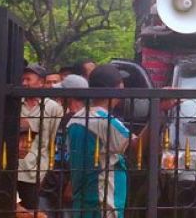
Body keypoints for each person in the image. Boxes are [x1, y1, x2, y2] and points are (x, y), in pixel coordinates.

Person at [67, 65, 173, 218]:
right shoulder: (104, 121)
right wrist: (158, 110)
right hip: (104, 201)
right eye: (120, 84)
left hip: (83, 200)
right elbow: (137, 146)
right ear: (114, 88)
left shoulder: (76, 118)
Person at [38, 75, 89, 218]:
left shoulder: (86, 119)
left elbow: (85, 156)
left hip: (69, 185)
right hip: (51, 182)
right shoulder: (63, 116)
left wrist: (72, 185)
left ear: (71, 95)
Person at [18, 64, 64, 210]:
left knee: (30, 210)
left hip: (36, 171)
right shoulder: (15, 103)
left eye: (28, 79)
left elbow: (52, 140)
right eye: (23, 79)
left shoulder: (53, 108)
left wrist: (46, 170)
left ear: (41, 82)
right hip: (12, 167)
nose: (24, 83)